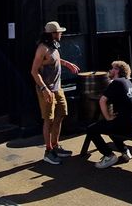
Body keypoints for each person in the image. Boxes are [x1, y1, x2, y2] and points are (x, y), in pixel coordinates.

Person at [31, 21, 80, 165]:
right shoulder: (42, 49)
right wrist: (44, 89)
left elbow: (55, 60)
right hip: (46, 89)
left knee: (61, 115)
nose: (61, 34)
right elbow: (34, 71)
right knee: (49, 119)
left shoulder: (54, 46)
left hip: (58, 88)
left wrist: (66, 64)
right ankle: (48, 151)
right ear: (52, 34)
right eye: (59, 32)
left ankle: (56, 145)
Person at [85, 60, 132, 169]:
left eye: (113, 68)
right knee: (111, 127)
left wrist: (108, 117)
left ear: (117, 71)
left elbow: (102, 100)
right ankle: (124, 150)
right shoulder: (127, 82)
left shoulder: (116, 82)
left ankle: (109, 155)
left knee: (91, 129)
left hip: (123, 125)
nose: (110, 70)